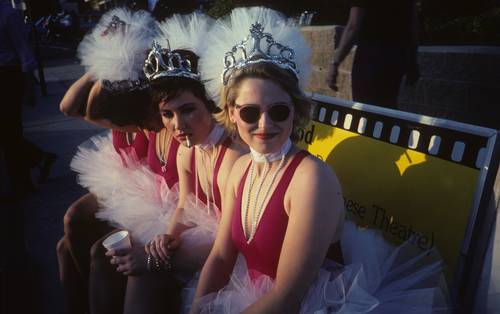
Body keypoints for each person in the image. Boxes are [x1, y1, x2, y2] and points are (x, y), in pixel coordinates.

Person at [191, 7, 448, 313]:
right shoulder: (240, 168)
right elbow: (221, 255)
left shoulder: (311, 179)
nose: (264, 124)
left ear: (295, 110)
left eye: (278, 111)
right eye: (249, 112)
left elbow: (288, 296)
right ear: (232, 112)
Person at [88, 13, 246, 314]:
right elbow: (185, 202)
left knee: (143, 274)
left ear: (210, 106)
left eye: (188, 110)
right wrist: (168, 237)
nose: (178, 124)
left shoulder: (233, 157)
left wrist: (155, 259)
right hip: (206, 239)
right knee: (120, 261)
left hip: (238, 254)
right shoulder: (188, 149)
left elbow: (230, 247)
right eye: (168, 114)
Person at [55, 8, 176, 314]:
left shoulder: (159, 119)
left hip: (155, 203)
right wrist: (106, 62)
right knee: (69, 229)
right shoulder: (124, 112)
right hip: (127, 187)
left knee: (95, 249)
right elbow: (71, 106)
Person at [0, 0, 56, 199]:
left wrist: (30, 89)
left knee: (10, 134)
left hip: (7, 77)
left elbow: (24, 53)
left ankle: (22, 184)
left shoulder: (8, 14)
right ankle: (39, 157)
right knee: (7, 134)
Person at [326, 0, 419, 109]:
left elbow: (353, 26)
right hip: (396, 57)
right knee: (387, 108)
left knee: (366, 110)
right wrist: (413, 61)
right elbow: (412, 26)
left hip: (370, 58)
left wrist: (335, 63)